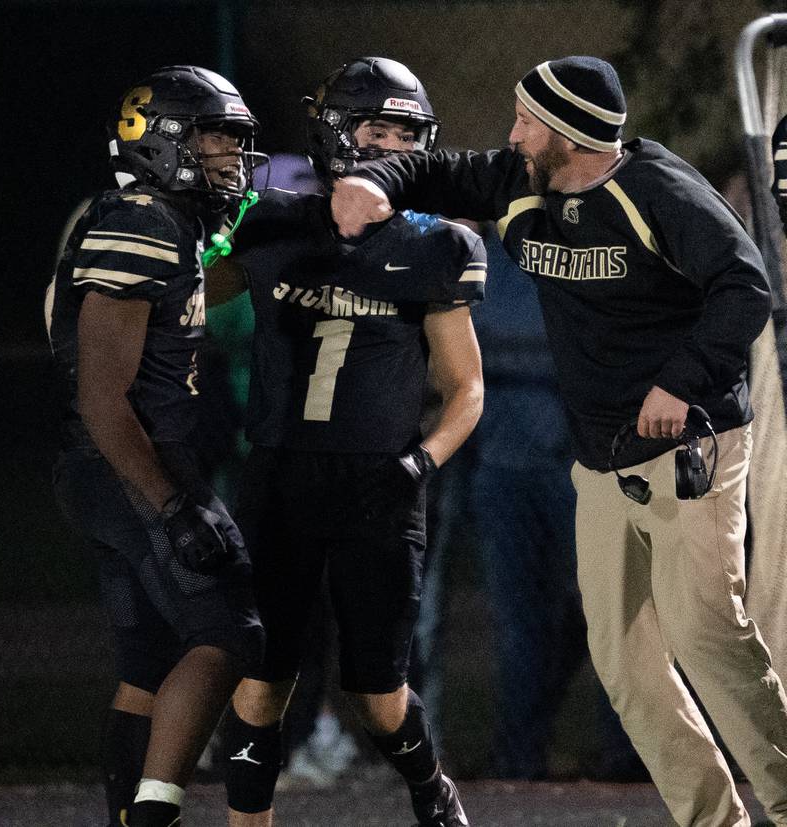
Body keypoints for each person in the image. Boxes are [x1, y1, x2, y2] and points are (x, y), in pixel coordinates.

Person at [330, 55, 787, 827]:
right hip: (600, 456)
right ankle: (715, 821)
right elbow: (436, 169)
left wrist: (680, 380)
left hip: (691, 452)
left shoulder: (659, 193)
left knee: (708, 633)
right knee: (626, 666)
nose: (512, 134)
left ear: (570, 133)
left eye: (527, 120)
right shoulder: (522, 181)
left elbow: (745, 287)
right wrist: (377, 184)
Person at [210, 57, 484, 827]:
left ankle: (432, 787)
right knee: (262, 678)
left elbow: (467, 388)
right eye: (378, 130)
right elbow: (182, 299)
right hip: (279, 475)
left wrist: (420, 462)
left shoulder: (435, 245)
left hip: (377, 483)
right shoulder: (268, 224)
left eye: (408, 135)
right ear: (337, 134)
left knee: (379, 692)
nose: (394, 148)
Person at [46, 65, 264, 827]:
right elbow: (103, 396)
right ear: (164, 139)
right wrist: (172, 502)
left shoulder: (160, 220)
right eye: (216, 137)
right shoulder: (139, 221)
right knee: (230, 630)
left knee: (146, 664)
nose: (231, 155)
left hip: (113, 465)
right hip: (131, 461)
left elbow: (203, 293)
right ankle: (152, 816)